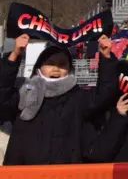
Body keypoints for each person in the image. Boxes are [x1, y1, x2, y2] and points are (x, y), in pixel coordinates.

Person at [0, 34, 117, 165]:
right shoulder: (25, 93)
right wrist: (14, 56)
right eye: (50, 63)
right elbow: (2, 94)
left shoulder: (78, 97)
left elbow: (105, 94)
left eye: (62, 64)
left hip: (65, 174)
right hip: (23, 173)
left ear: (69, 69)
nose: (56, 69)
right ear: (39, 67)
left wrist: (106, 56)